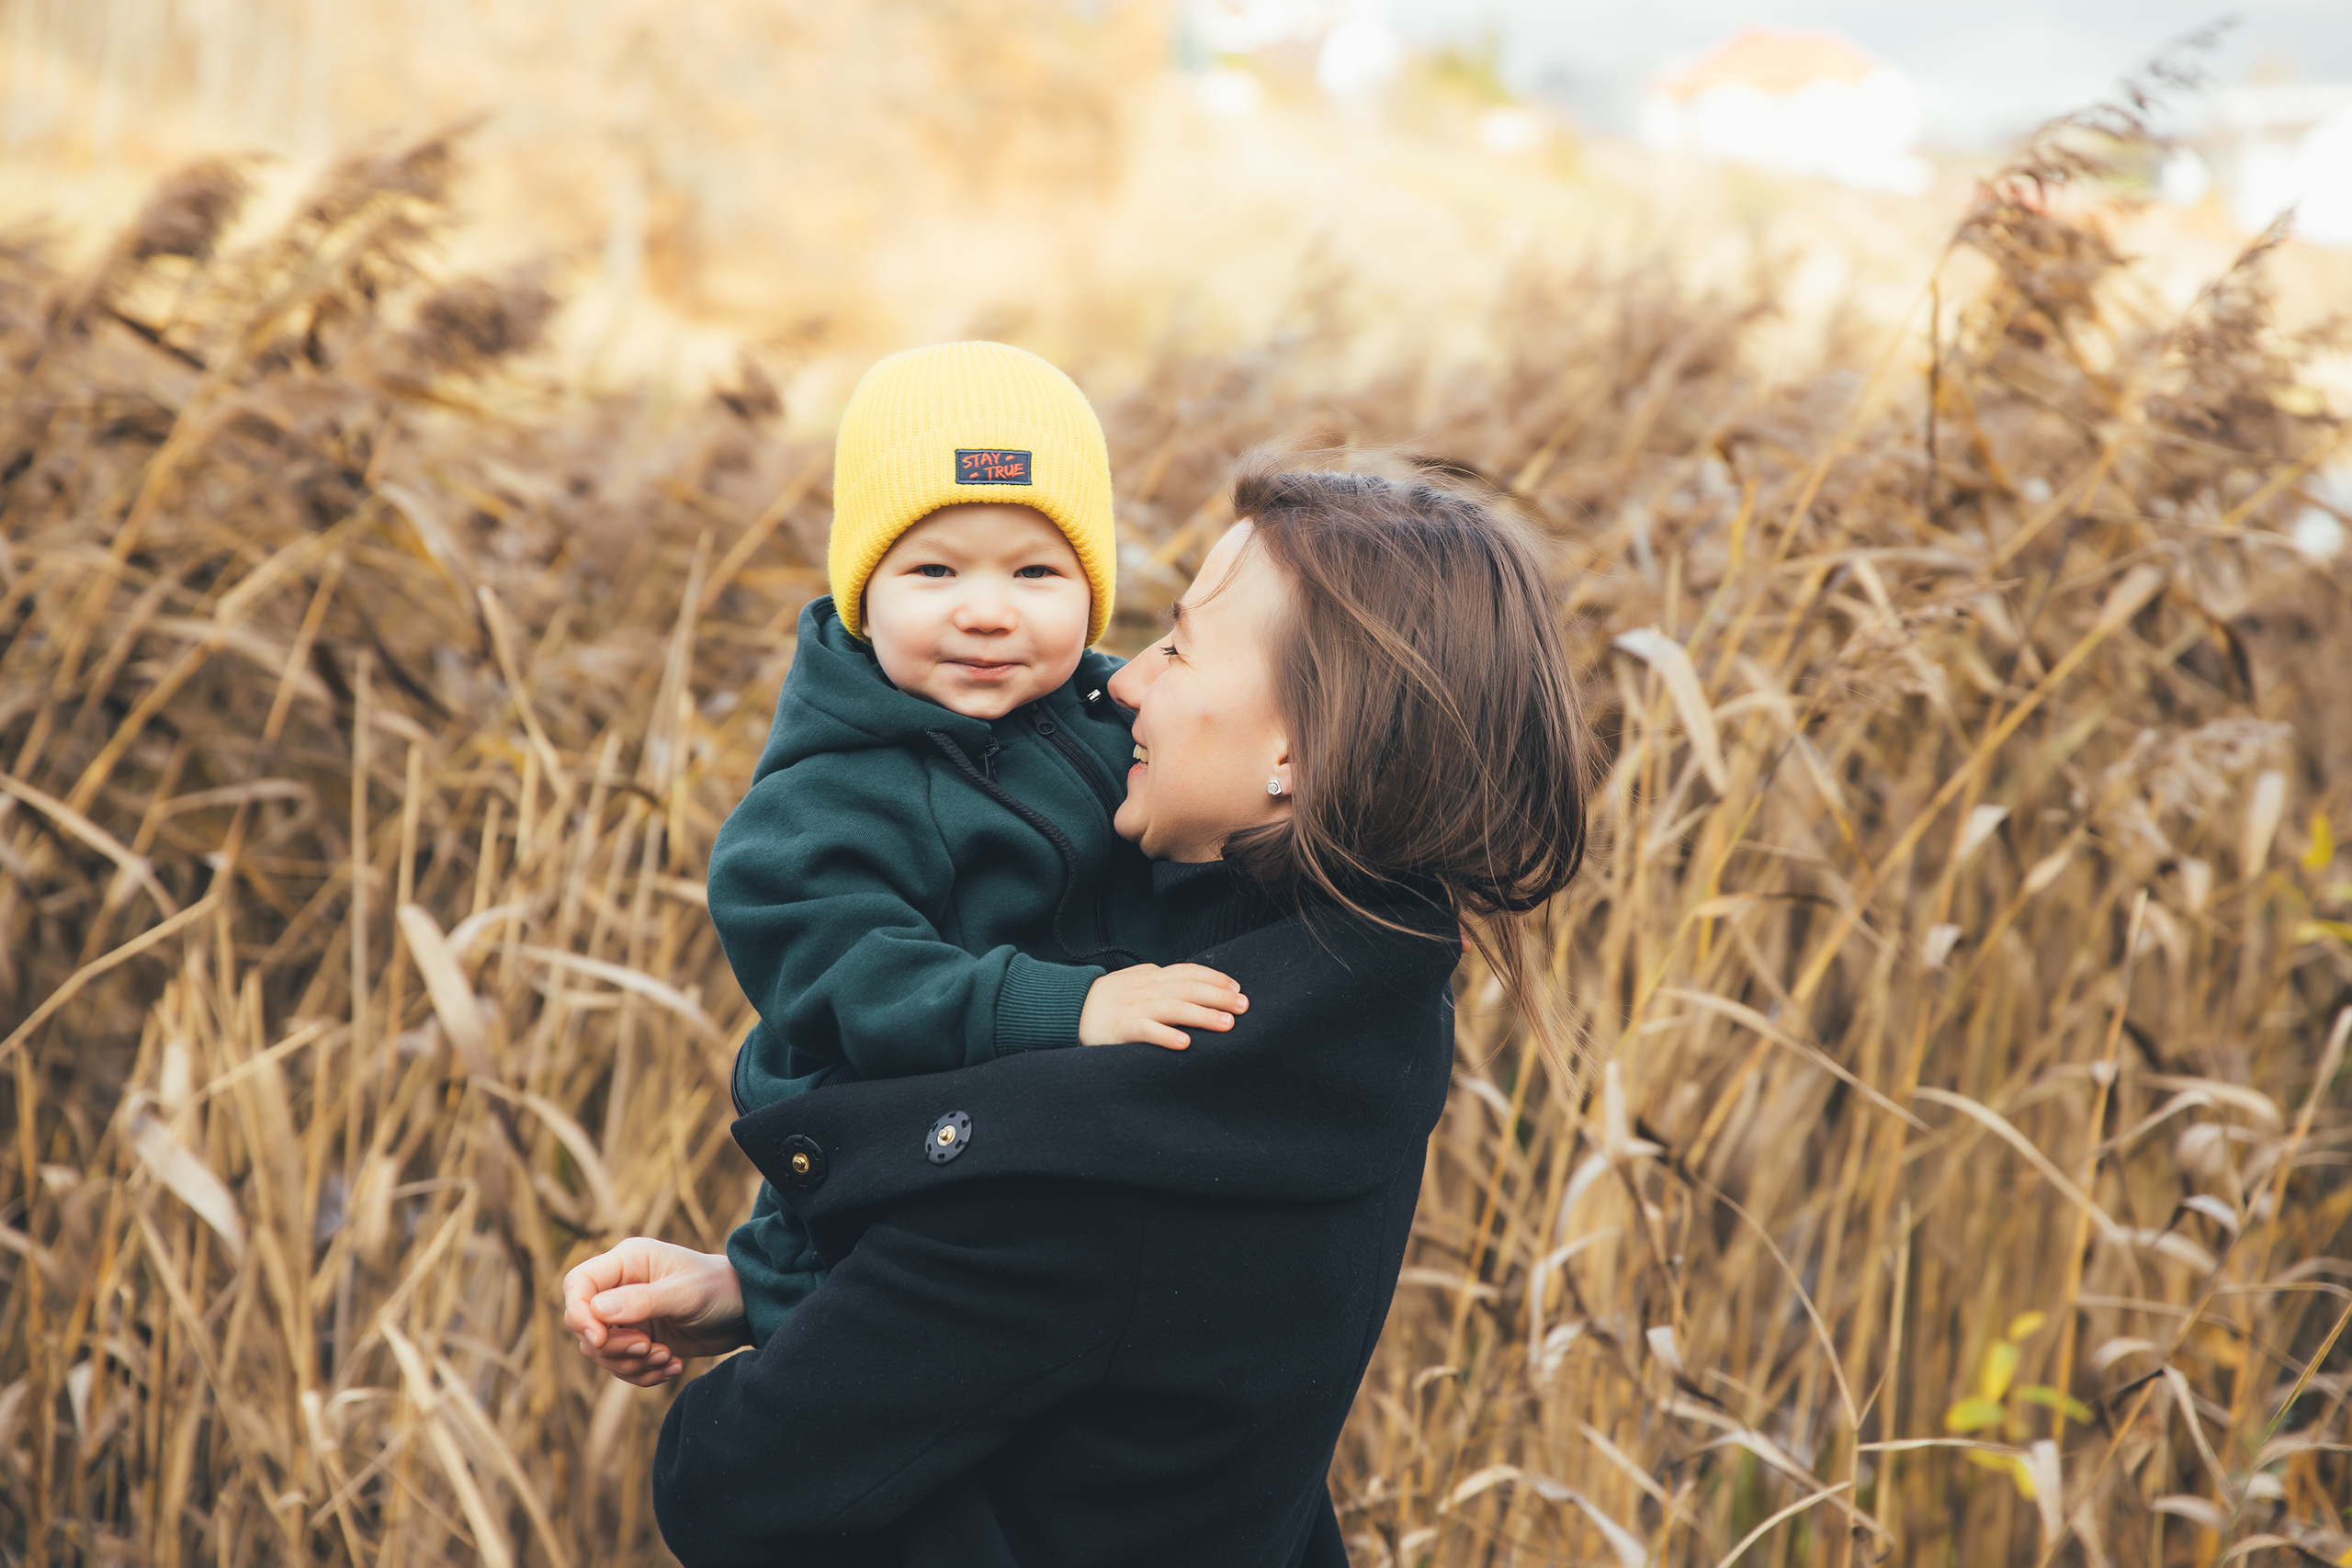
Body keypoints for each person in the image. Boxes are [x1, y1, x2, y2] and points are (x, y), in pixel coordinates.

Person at [565, 460, 1591, 1565]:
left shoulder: (1112, 1141)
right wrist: (755, 1288)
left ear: (1298, 750)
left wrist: (810, 1304)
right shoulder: (1358, 999)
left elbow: (730, 1480)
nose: (1120, 686)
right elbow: (1084, 1355)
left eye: (1181, 645)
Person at [596, 340, 1250, 1351]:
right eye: (933, 569)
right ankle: (761, 1295)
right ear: (865, 588)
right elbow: (856, 985)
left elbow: (1227, 826)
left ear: (1091, 588)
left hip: (1085, 1167)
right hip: (889, 1171)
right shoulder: (821, 800)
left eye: (1036, 571)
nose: (986, 612)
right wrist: (1071, 1006)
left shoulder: (1116, 717)